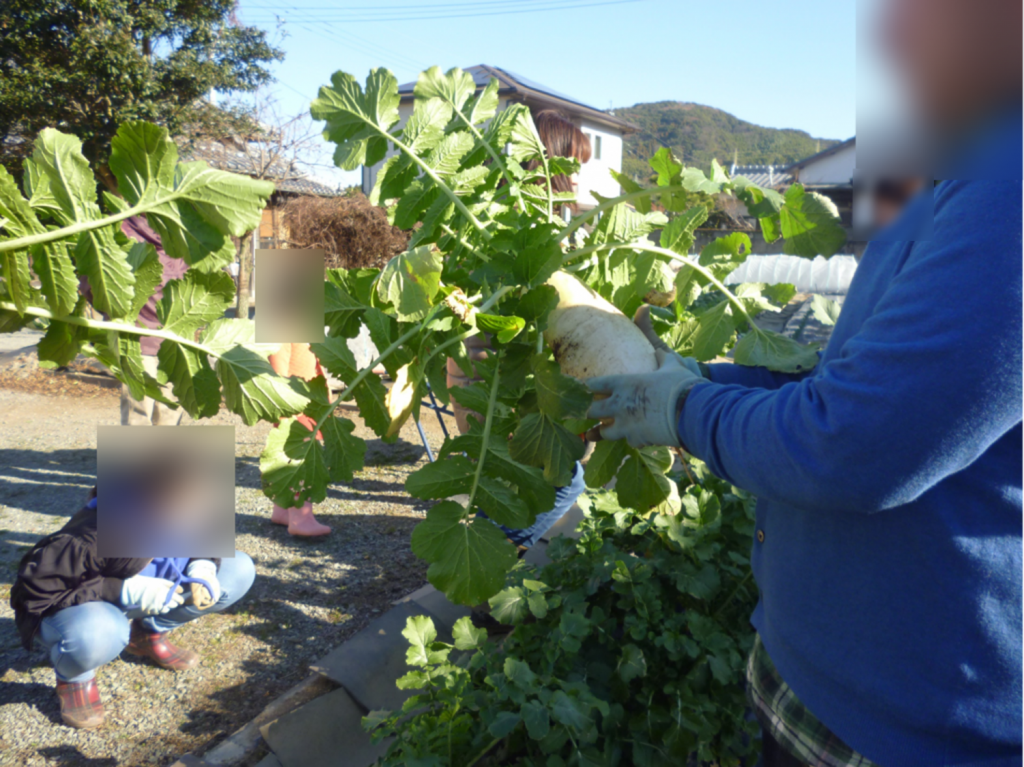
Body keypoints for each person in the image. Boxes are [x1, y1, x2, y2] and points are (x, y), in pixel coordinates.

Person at [586, 1, 1024, 765]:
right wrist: (704, 376)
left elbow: (854, 445)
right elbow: (856, 382)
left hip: (914, 730)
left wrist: (686, 408)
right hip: (827, 687)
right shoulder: (958, 177)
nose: (886, 36)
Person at [449, 109, 593, 552]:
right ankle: (499, 555)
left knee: (511, 478)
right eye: (576, 163)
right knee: (556, 483)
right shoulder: (501, 224)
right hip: (496, 382)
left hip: (495, 385)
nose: (580, 175)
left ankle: (495, 559)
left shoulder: (554, 226)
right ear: (553, 162)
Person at [9, 486, 256, 729]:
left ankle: (149, 633)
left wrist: (204, 565)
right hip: (87, 607)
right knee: (97, 633)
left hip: (154, 593)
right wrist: (123, 590)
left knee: (238, 570)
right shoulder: (94, 535)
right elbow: (34, 589)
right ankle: (75, 677)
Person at [80, 216, 188, 426]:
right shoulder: (182, 233)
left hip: (148, 340)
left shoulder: (116, 229)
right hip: (161, 342)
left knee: (145, 410)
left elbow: (90, 286)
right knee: (161, 410)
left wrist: (112, 313)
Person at [266, 342, 332, 536]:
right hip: (295, 403)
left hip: (305, 397)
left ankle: (282, 509)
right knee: (299, 456)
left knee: (295, 453)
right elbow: (276, 369)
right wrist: (285, 412)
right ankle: (301, 518)